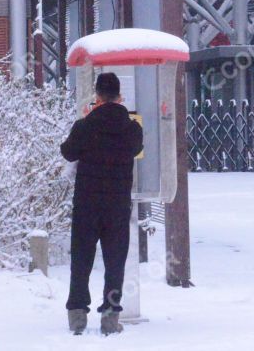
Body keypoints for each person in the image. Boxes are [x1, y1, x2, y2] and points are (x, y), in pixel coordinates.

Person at [60, 72, 143, 336]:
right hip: (117, 206)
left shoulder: (84, 126)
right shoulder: (132, 129)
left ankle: (77, 317)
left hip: (87, 204)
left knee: (82, 260)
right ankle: (109, 319)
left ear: (96, 96)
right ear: (120, 96)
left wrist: (88, 118)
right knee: (115, 262)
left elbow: (68, 151)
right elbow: (135, 148)